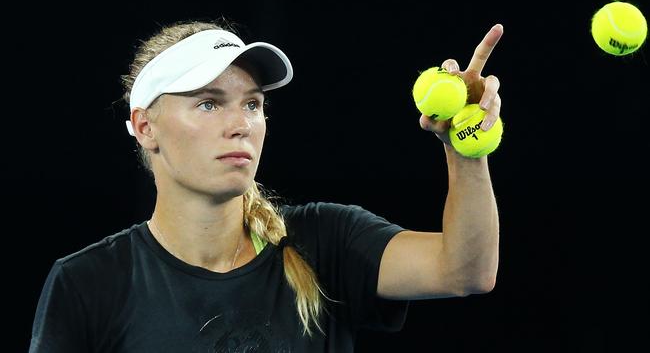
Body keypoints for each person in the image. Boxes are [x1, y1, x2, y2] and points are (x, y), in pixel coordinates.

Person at [29, 18, 503, 352]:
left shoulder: (325, 239)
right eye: (209, 104)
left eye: (252, 105)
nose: (241, 125)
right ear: (146, 126)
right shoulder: (86, 283)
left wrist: (464, 151)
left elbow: (465, 272)